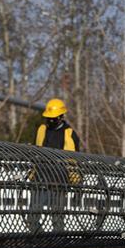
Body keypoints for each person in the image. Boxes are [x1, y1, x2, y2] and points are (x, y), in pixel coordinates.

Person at [27, 98, 80, 234]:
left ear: (61, 117)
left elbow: (74, 159)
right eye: (48, 118)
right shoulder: (42, 130)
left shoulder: (69, 134)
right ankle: (39, 238)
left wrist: (75, 178)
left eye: (53, 118)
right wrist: (32, 172)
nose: (50, 121)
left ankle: (58, 242)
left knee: (57, 217)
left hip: (60, 179)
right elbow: (35, 152)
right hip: (40, 177)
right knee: (33, 214)